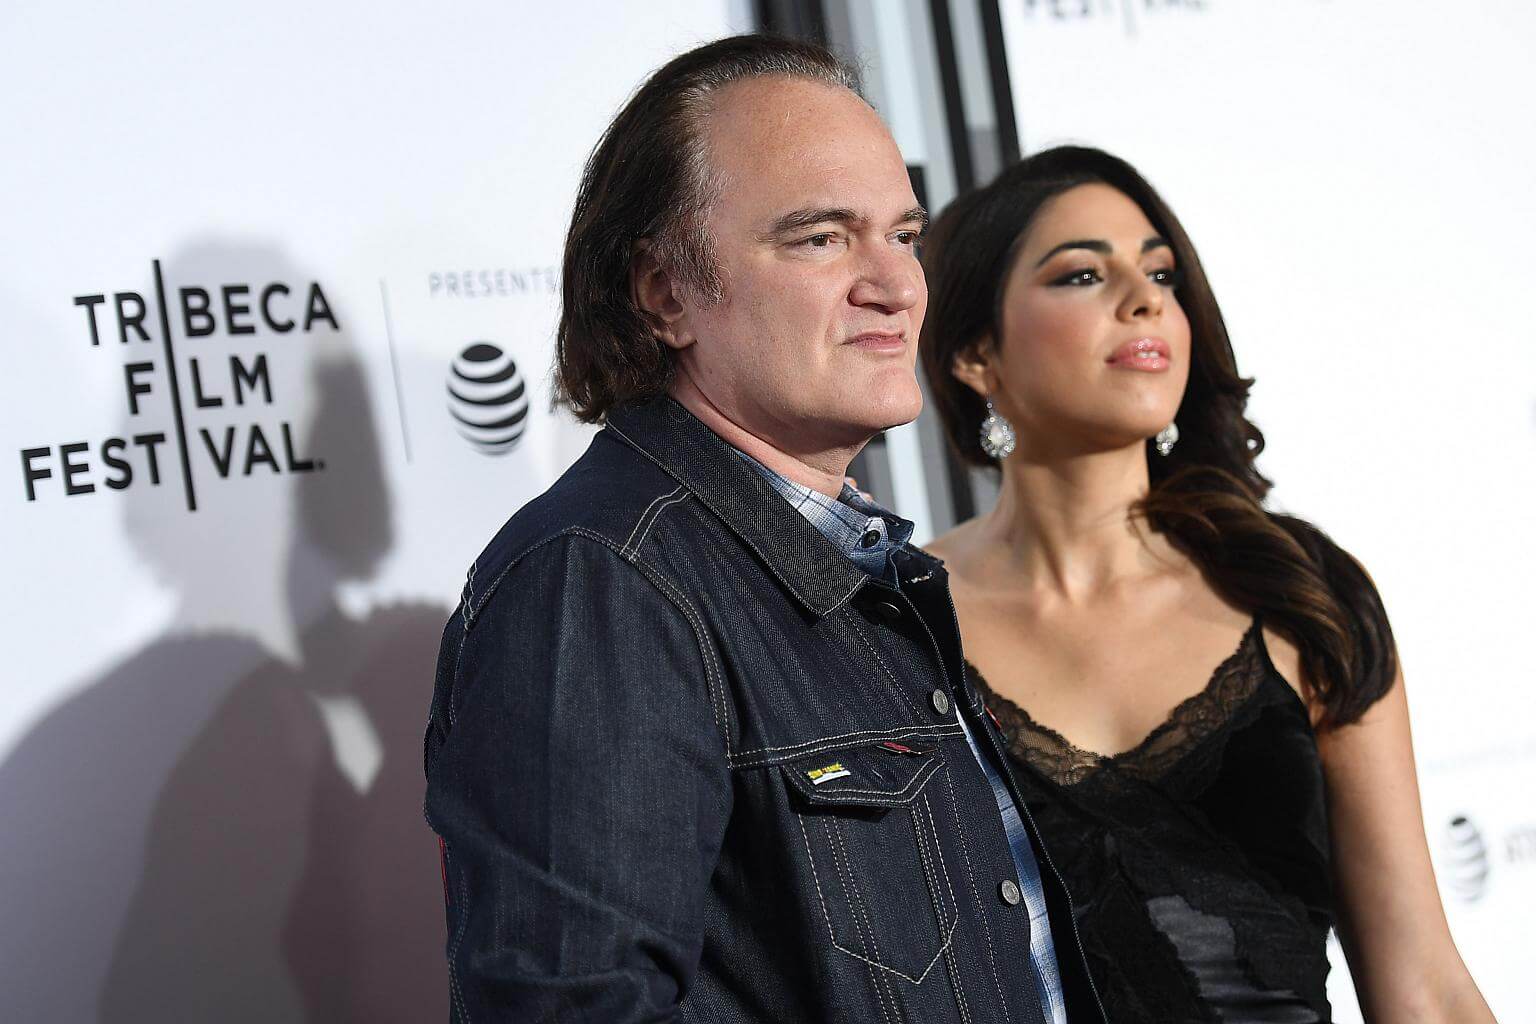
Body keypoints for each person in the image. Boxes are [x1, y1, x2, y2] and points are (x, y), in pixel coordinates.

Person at [422, 36, 1106, 1023]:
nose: (896, 285)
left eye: (903, 234)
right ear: (666, 293)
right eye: (821, 239)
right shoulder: (599, 582)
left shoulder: (862, 567)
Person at [918, 145, 1496, 1023]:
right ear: (975, 353)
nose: (1144, 298)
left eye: (1161, 273)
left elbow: (1423, 984)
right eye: (1081, 275)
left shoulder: (1300, 591)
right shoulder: (898, 620)